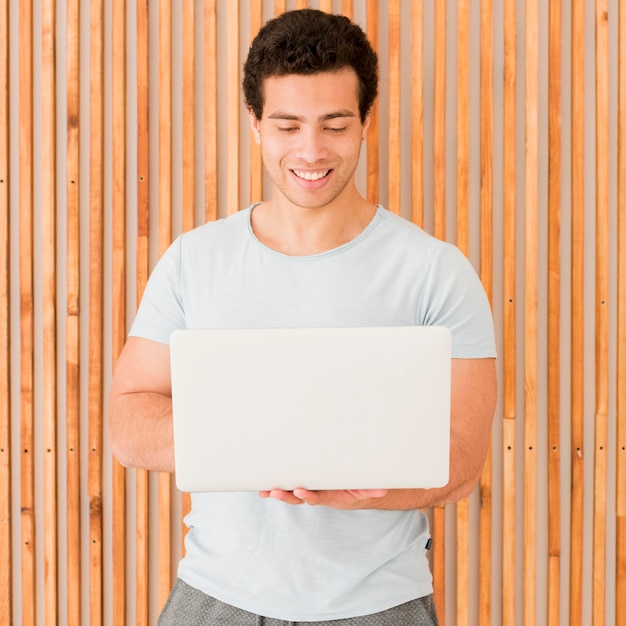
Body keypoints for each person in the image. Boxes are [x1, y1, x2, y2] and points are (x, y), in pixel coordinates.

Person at [108, 9, 497, 625]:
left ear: (365, 122)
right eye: (287, 125)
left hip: (379, 606)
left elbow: (461, 463)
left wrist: (359, 489)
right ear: (256, 125)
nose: (311, 151)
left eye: (334, 125)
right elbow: (128, 423)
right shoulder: (194, 260)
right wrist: (263, 437)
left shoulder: (435, 271)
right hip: (214, 599)